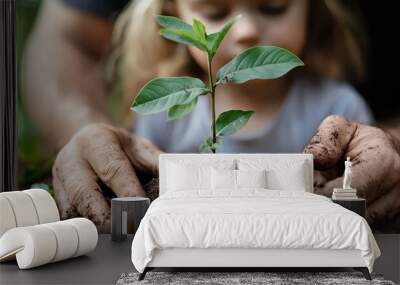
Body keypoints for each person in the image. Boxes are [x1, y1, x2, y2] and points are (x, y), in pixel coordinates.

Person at [23, 0, 400, 232]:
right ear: (177, 19)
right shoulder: (169, 112)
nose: (248, 29)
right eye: (216, 12)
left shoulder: (337, 105)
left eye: (272, 7)